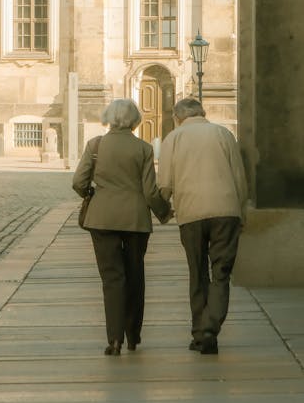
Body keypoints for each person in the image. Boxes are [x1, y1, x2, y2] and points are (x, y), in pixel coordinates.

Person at [72, 98, 171, 356]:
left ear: (109, 118)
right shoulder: (143, 148)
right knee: (135, 275)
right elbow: (150, 191)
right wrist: (164, 212)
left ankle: (114, 339)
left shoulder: (96, 145)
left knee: (112, 278)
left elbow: (78, 181)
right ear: (135, 120)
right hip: (136, 219)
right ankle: (133, 336)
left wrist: (92, 193)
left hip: (102, 218)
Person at [157, 97, 248, 355]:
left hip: (191, 214)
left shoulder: (173, 139)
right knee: (221, 273)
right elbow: (239, 177)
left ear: (177, 118)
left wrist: (161, 210)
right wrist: (241, 213)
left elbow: (164, 185)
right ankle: (210, 328)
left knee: (197, 273)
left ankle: (200, 332)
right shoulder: (223, 134)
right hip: (226, 212)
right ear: (204, 113)